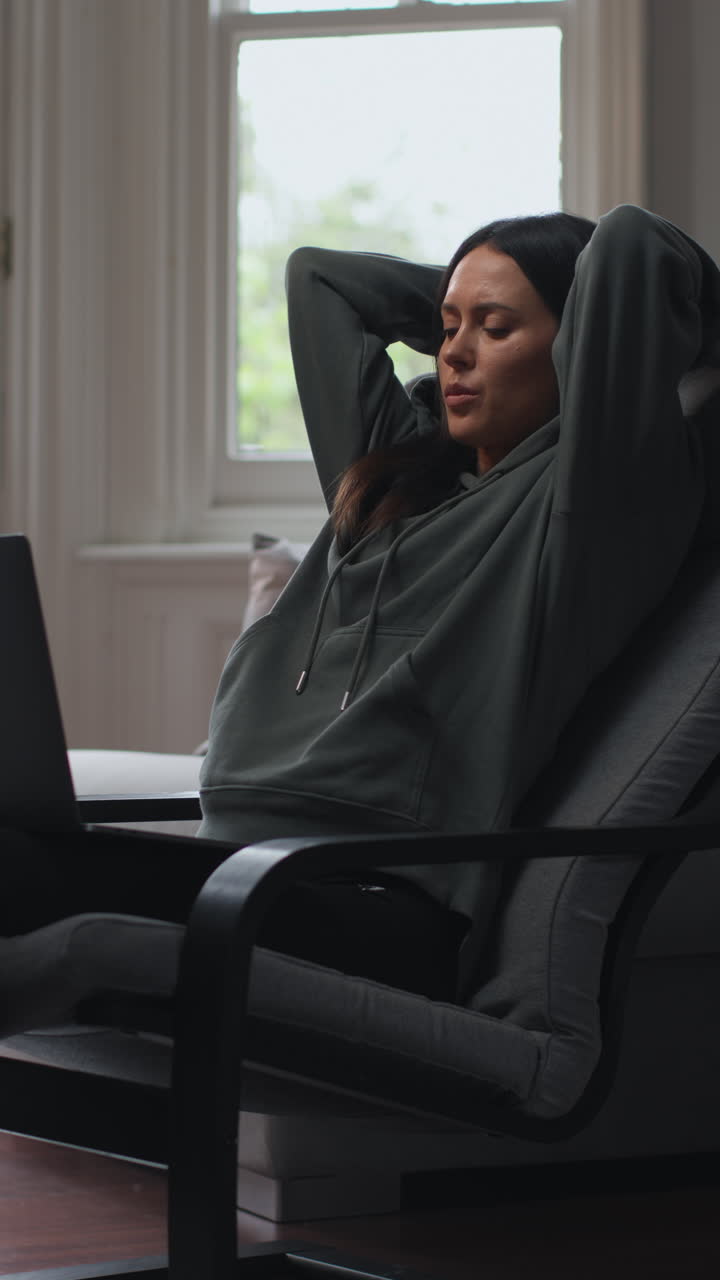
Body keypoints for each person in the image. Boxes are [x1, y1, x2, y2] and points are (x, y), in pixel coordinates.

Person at [4, 206, 719, 1006]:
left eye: (495, 327)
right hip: (243, 873)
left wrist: (563, 299)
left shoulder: (590, 507)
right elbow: (319, 278)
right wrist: (477, 292)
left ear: (581, 346)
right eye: (448, 326)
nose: (454, 351)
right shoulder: (388, 484)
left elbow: (630, 244)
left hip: (375, 906)